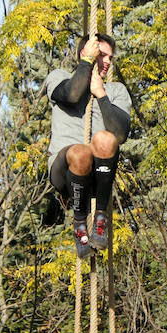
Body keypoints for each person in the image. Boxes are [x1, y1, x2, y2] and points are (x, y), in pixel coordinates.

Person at [45, 33, 131, 258]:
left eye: (110, 57)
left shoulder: (116, 91)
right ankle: (80, 223)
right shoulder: (59, 77)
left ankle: (100, 218)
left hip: (98, 175)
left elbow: (120, 134)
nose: (108, 61)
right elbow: (72, 95)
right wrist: (87, 63)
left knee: (105, 139)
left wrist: (101, 94)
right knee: (80, 152)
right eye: (102, 55)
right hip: (65, 172)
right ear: (86, 53)